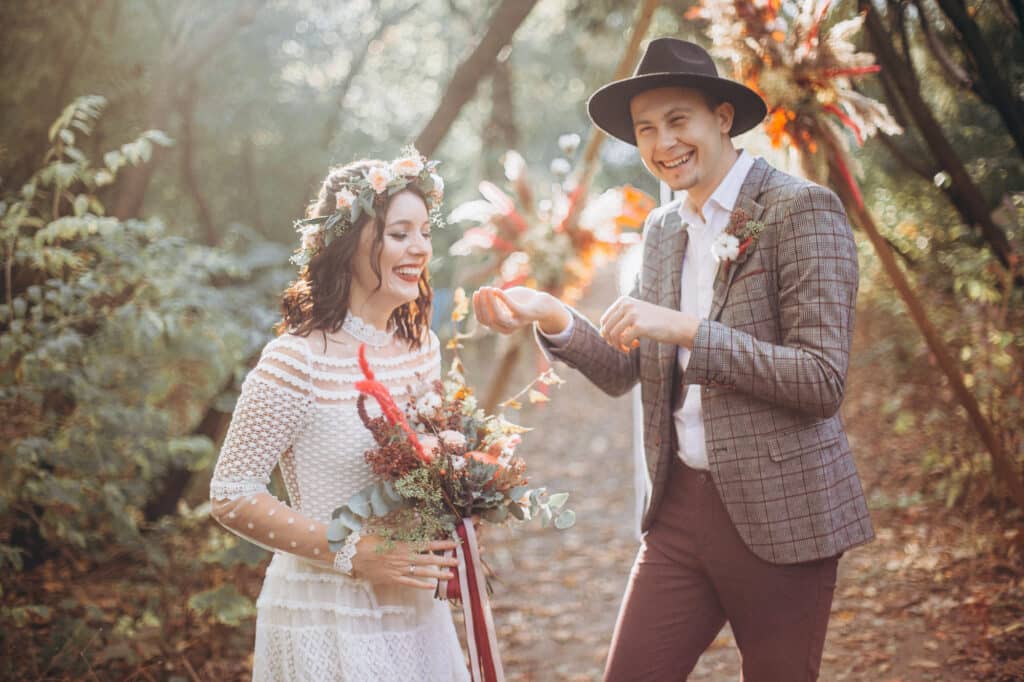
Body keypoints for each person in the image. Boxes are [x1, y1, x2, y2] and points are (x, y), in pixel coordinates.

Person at [473, 38, 874, 681]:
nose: (663, 144)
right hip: (679, 513)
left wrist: (689, 330)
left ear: (722, 116)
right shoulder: (663, 231)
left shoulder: (801, 211)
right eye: (646, 129)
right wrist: (552, 314)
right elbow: (627, 369)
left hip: (783, 515)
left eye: (678, 120)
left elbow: (821, 380)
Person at [209, 151, 470, 681]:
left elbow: (427, 471)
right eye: (399, 234)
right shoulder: (296, 359)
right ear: (349, 244)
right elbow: (232, 492)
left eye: (424, 232)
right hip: (323, 613)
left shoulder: (422, 346)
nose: (420, 247)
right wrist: (353, 551)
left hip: (416, 609)